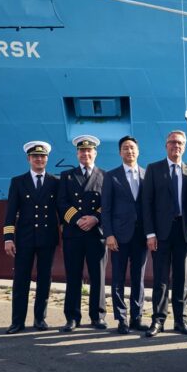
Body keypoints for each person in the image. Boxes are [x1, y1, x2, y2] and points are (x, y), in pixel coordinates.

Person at [142, 130, 187, 337]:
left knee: (181, 279)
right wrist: (150, 233)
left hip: (183, 232)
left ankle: (181, 320)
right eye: (172, 142)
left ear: (184, 147)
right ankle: (158, 320)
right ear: (166, 145)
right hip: (160, 233)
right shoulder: (154, 169)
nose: (176, 146)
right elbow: (146, 204)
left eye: (180, 143)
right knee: (160, 279)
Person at [3, 141, 59, 334]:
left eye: (42, 156)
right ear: (29, 159)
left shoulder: (55, 181)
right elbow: (10, 212)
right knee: (21, 280)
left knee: (45, 280)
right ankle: (17, 322)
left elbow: (60, 210)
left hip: (47, 238)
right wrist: (8, 238)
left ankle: (40, 319)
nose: (39, 159)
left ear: (47, 159)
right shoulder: (18, 182)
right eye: (35, 156)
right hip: (25, 239)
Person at [57, 135, 107, 332]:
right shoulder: (66, 176)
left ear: (95, 153)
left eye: (89, 151)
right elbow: (61, 202)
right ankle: (72, 317)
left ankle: (98, 316)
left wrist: (95, 218)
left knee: (98, 277)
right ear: (77, 154)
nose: (85, 154)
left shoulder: (105, 176)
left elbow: (108, 203)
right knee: (73, 276)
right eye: (82, 151)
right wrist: (78, 218)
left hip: (96, 233)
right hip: (74, 233)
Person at [101, 136, 149, 334]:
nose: (129, 151)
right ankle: (121, 318)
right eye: (125, 148)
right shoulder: (111, 176)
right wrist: (109, 235)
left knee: (139, 278)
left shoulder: (147, 175)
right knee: (119, 278)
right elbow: (106, 209)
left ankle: (136, 318)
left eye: (132, 148)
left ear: (138, 151)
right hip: (119, 236)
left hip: (141, 235)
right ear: (120, 153)